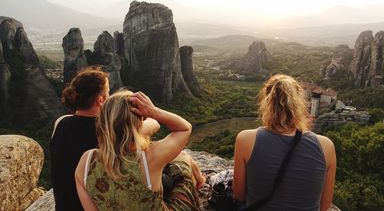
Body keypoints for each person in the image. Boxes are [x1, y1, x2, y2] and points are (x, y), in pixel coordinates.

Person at [75, 90, 205, 211]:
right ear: (139, 122)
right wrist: (154, 111)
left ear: (102, 123)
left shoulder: (86, 162)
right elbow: (185, 128)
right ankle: (200, 185)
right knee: (183, 158)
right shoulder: (150, 157)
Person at [233, 74, 336, 211]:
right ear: (300, 104)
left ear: (266, 103)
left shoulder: (245, 139)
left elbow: (239, 195)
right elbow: (324, 206)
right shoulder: (326, 146)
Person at [50, 67, 110, 211]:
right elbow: (154, 125)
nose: (110, 96)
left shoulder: (61, 123)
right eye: (108, 93)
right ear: (100, 100)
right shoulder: (108, 130)